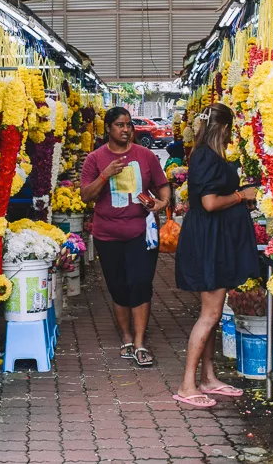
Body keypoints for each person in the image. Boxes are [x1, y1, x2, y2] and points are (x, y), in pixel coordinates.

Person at [173, 103, 259, 408]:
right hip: (210, 241)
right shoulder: (207, 156)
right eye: (230, 129)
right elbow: (209, 202)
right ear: (223, 128)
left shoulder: (207, 154)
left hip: (215, 239)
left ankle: (208, 377)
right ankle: (187, 385)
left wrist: (237, 202)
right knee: (210, 315)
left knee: (211, 313)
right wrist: (241, 195)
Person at [81, 107, 170, 367]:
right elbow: (86, 196)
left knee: (140, 283)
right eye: (120, 125)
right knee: (118, 286)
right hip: (107, 234)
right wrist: (104, 175)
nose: (126, 129)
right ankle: (127, 336)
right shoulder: (95, 159)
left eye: (129, 125)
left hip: (141, 233)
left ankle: (141, 341)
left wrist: (161, 204)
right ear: (108, 128)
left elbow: (162, 186)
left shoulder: (145, 156)